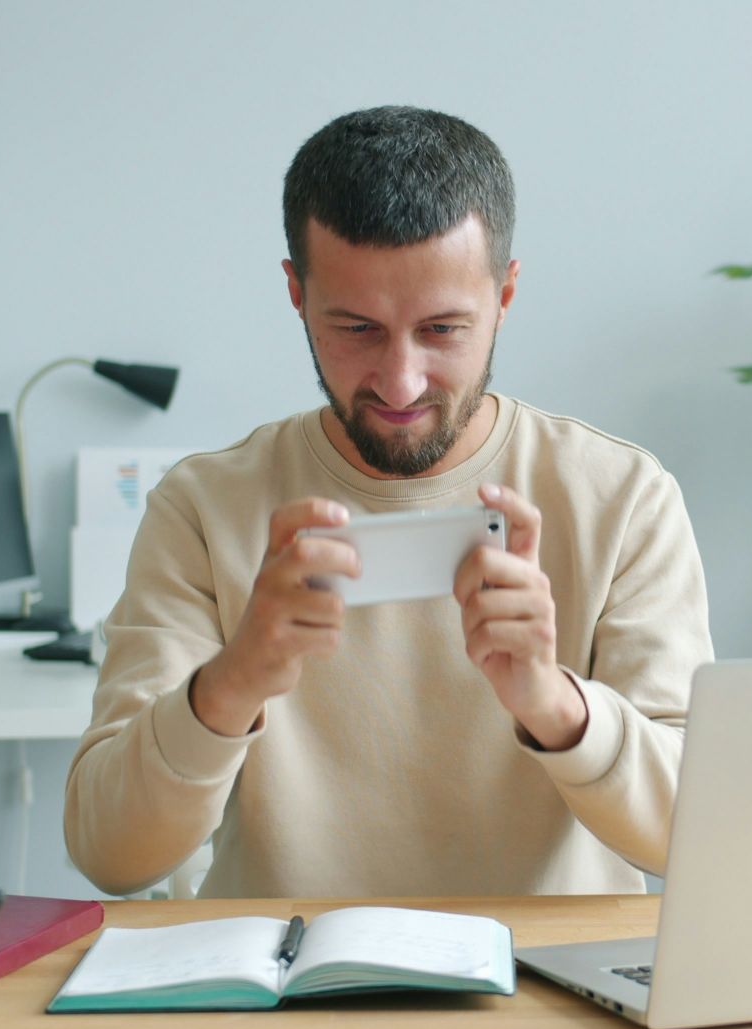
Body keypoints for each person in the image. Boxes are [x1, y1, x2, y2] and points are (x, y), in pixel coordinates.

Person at [63, 106, 713, 898]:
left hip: (549, 1002)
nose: (401, 382)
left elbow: (695, 836)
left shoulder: (622, 497)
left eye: (442, 329)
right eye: (357, 329)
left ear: (505, 294)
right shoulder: (203, 509)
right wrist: (233, 683)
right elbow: (109, 853)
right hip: (283, 997)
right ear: (297, 294)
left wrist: (553, 703)